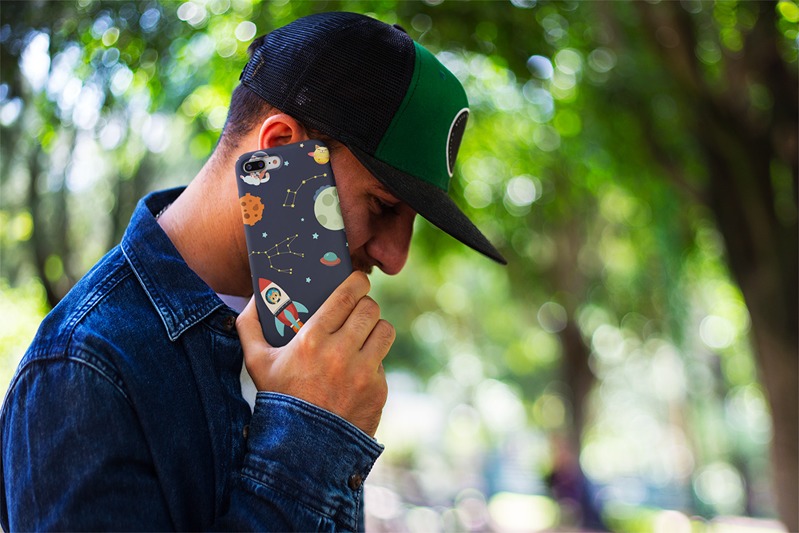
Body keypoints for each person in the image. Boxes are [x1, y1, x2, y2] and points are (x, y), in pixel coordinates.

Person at [0, 11, 506, 531]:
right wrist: (310, 432)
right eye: (382, 205)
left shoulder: (306, 339)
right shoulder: (82, 369)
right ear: (280, 148)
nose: (395, 258)